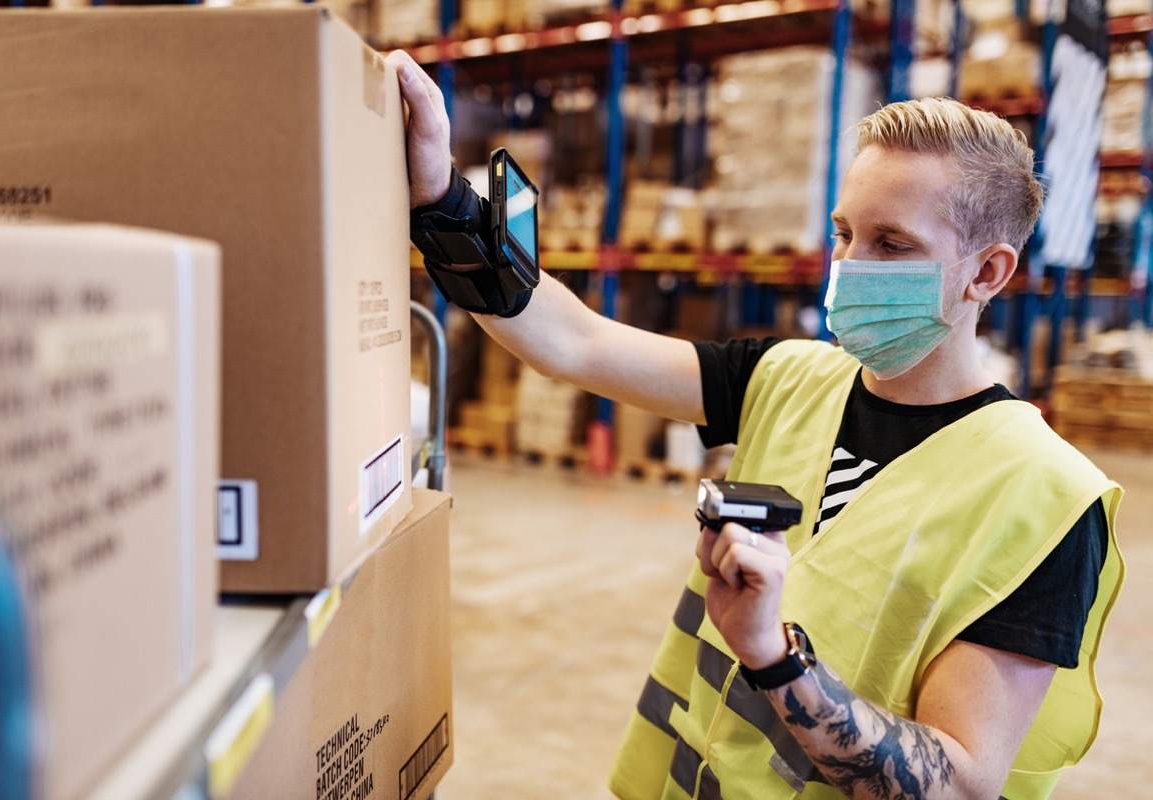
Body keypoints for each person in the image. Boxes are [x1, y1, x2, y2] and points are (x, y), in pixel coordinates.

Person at [386, 50, 1125, 800]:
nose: (851, 266)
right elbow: (575, 343)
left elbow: (962, 784)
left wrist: (776, 657)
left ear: (988, 272)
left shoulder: (1046, 498)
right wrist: (443, 199)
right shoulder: (786, 377)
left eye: (892, 245)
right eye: (844, 234)